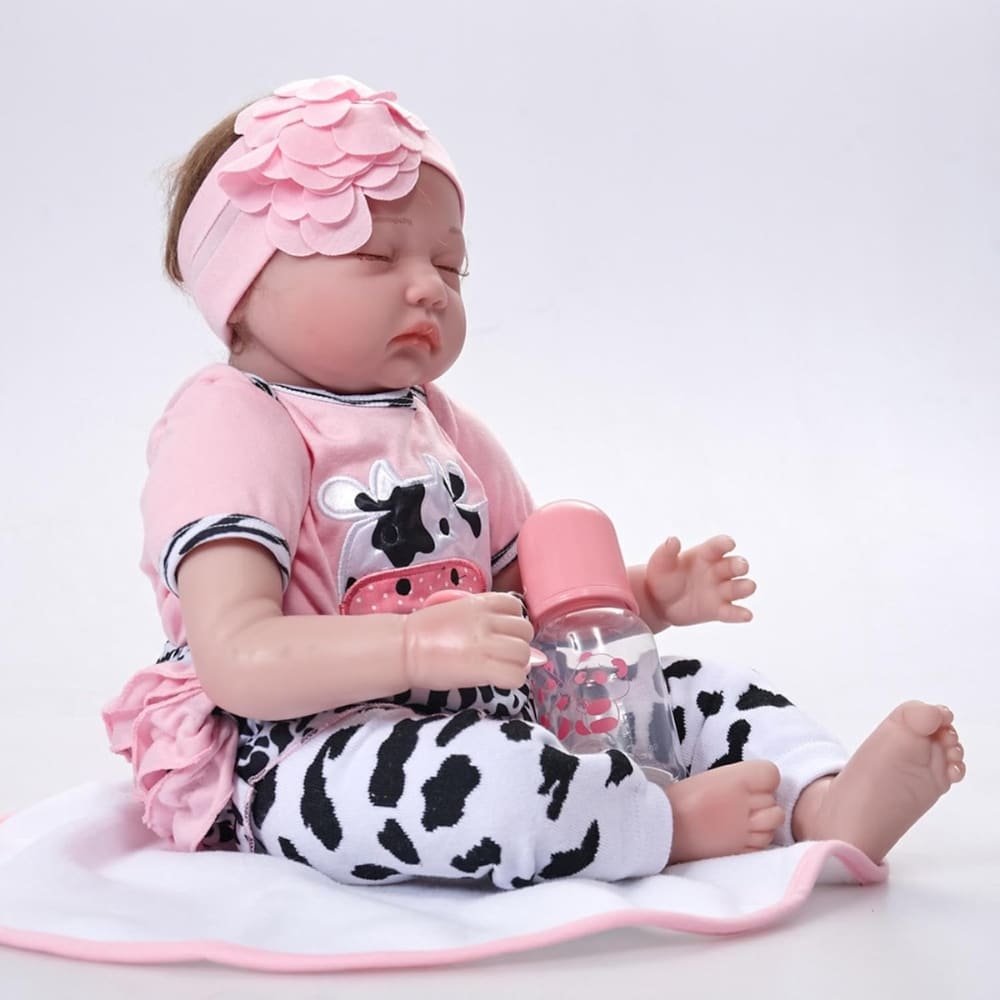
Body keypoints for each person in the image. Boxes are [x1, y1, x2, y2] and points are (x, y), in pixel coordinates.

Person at [103, 75, 965, 888]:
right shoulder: (235, 416)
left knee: (688, 688)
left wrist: (638, 601)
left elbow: (530, 602)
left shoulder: (441, 425)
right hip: (306, 746)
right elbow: (237, 658)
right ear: (243, 287)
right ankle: (661, 825)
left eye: (449, 267)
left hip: (482, 706)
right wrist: (413, 649)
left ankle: (821, 802)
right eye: (376, 256)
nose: (429, 289)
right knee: (481, 784)